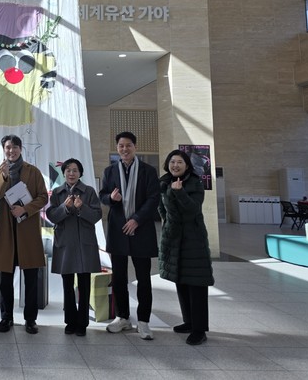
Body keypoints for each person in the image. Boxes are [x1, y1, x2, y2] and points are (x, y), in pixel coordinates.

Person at [99, 131, 159, 340]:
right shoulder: (110, 171)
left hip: (141, 229)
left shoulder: (148, 171)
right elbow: (102, 195)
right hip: (118, 230)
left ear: (135, 147)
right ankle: (122, 317)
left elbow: (154, 198)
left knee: (143, 278)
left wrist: (137, 220)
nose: (124, 149)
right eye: (121, 146)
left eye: (128, 145)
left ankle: (143, 321)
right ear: (117, 148)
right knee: (119, 277)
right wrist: (111, 198)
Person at [0, 134, 48, 334]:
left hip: (27, 230)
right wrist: (4, 176)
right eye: (8, 147)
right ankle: (6, 318)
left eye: (15, 147)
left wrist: (25, 209)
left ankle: (30, 320)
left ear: (20, 149)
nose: (11, 151)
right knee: (5, 280)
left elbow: (43, 197)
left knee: (31, 279)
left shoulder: (33, 171)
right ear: (4, 150)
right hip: (6, 232)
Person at [158, 149, 214, 345]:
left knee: (196, 284)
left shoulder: (195, 183)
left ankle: (199, 329)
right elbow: (162, 208)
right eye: (172, 162)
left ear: (187, 165)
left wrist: (179, 192)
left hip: (193, 239)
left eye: (179, 162)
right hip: (174, 238)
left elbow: (192, 210)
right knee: (180, 280)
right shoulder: (164, 182)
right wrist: (166, 223)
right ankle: (189, 322)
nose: (175, 165)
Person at [46, 158, 102, 336]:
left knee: (84, 285)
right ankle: (70, 321)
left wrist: (81, 207)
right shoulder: (57, 192)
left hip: (84, 243)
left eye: (75, 170)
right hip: (65, 243)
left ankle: (82, 323)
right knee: (67, 284)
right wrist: (65, 207)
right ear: (63, 173)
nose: (71, 173)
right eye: (68, 170)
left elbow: (96, 216)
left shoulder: (89, 191)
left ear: (80, 173)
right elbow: (52, 216)